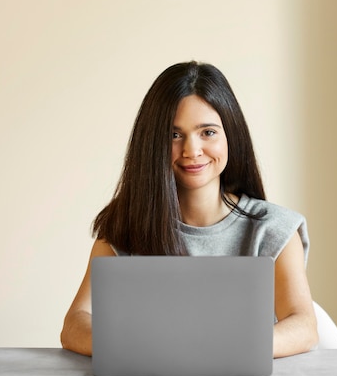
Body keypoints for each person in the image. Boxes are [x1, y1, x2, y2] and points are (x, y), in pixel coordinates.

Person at [61, 61, 320, 358]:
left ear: (230, 137)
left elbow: (303, 326)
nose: (191, 150)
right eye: (174, 135)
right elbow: (74, 325)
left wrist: (212, 350)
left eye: (207, 132)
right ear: (152, 143)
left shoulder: (274, 228)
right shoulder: (125, 225)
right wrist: (137, 348)